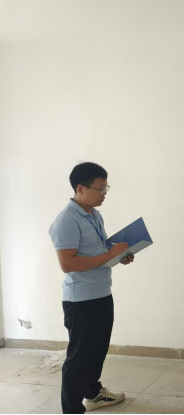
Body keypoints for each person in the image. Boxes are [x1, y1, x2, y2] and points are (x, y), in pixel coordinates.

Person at [49, 162, 135, 414]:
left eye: (106, 188)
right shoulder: (66, 221)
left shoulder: (94, 215)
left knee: (97, 351)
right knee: (79, 358)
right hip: (81, 300)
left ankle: (93, 393)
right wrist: (109, 255)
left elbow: (97, 252)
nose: (104, 193)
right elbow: (67, 264)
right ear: (80, 188)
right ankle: (72, 409)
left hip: (101, 293)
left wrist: (119, 256)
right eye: (100, 189)